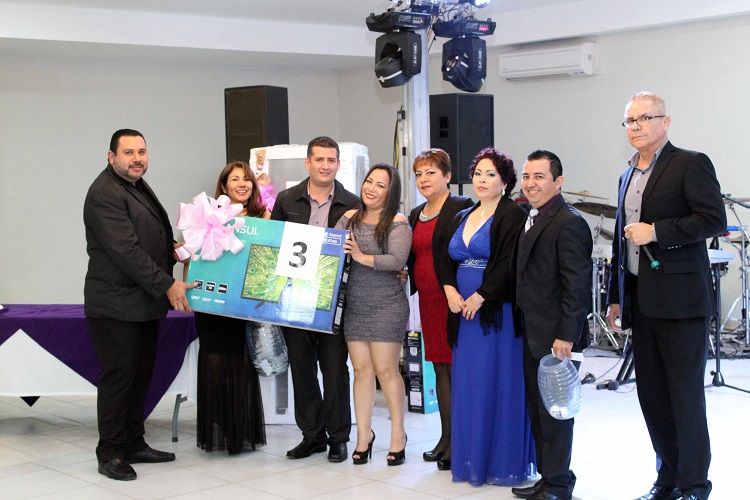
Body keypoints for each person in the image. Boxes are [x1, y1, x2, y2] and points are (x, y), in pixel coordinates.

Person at [606, 92, 725, 500]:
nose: (636, 126)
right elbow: (621, 241)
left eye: (644, 118)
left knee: (684, 397)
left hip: (681, 302)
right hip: (641, 301)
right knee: (652, 397)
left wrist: (657, 231)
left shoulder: (690, 163)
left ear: (665, 121)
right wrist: (616, 297)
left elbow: (713, 219)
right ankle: (668, 479)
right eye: (630, 120)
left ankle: (694, 484)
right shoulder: (626, 175)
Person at [83, 129, 194, 481]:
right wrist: (169, 285)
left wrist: (174, 250)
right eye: (128, 152)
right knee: (119, 380)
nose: (137, 158)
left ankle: (133, 442)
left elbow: (149, 235)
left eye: (142, 151)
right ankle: (110, 452)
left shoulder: (135, 185)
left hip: (142, 303)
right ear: (111, 156)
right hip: (116, 306)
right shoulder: (105, 193)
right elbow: (127, 252)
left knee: (139, 377)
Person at [440, 148, 535, 485]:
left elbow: (510, 263)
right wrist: (450, 290)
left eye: (490, 174)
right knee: (470, 386)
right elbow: (443, 256)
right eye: (478, 173)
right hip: (462, 314)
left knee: (497, 384)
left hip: (496, 314)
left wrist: (480, 296)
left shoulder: (514, 215)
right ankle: (471, 461)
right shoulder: (463, 214)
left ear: (505, 181)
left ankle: (500, 463)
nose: (481, 180)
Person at [270, 136, 358, 462]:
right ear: (307, 163)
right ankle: (312, 436)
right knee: (302, 370)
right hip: (294, 299)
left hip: (333, 302)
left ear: (338, 164)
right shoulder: (286, 199)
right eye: (319, 159)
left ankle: (338, 438)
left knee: (334, 370)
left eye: (331, 160)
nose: (325, 165)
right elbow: (274, 243)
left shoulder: (353, 203)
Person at [512, 150, 592, 500]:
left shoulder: (569, 221)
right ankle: (548, 478)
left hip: (556, 337)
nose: (530, 183)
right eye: (526, 176)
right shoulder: (531, 217)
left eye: (539, 176)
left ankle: (559, 484)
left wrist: (566, 335)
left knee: (556, 414)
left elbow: (577, 285)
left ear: (558, 182)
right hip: (532, 332)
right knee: (538, 409)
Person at [335, 163, 412, 466]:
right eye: (369, 181)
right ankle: (363, 436)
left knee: (386, 370)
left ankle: (398, 434)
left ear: (391, 192)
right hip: (354, 305)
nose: (372, 188)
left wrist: (359, 256)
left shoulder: (397, 222)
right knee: (361, 370)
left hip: (386, 306)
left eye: (381, 185)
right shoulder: (348, 218)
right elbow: (329, 249)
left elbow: (397, 260)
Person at [192, 161, 269, 454]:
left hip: (245, 305)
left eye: (247, 179)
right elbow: (193, 254)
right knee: (213, 362)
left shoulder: (265, 217)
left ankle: (241, 433)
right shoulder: (208, 215)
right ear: (224, 186)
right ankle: (218, 432)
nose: (242, 183)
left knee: (240, 364)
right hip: (212, 304)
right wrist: (189, 292)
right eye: (235, 179)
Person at [407, 149, 472, 470]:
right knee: (439, 369)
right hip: (427, 301)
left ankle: (460, 441)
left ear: (447, 176)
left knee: (456, 369)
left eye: (431, 172)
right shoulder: (415, 213)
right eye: (419, 174)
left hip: (453, 299)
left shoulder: (462, 206)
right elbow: (414, 256)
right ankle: (446, 438)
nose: (424, 179)